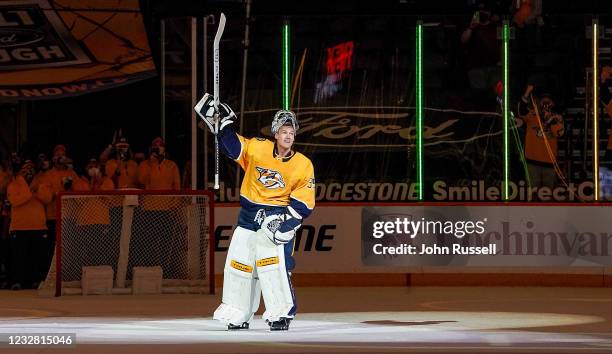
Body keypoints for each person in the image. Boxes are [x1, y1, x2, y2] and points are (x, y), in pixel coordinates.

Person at [195, 94, 315, 331]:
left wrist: (289, 223)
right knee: (239, 265)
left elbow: (305, 199)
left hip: (276, 217)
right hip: (248, 216)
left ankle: (281, 313)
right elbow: (234, 148)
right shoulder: (258, 148)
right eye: (283, 131)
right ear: (275, 133)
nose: (288, 135)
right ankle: (238, 312)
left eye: (291, 132)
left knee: (274, 267)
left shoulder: (303, 163)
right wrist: (223, 125)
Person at [6, 160, 52, 289]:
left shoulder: (41, 183)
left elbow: (47, 199)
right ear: (20, 171)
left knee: (38, 257)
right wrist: (28, 187)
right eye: (25, 169)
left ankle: (37, 281)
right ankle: (17, 282)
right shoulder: (14, 184)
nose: (28, 171)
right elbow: (16, 201)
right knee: (18, 258)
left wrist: (36, 190)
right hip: (19, 227)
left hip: (38, 226)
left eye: (31, 168)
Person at [517, 84, 564, 190]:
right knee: (533, 195)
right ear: (539, 103)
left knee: (549, 196)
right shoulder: (532, 115)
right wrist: (527, 93)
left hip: (550, 164)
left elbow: (559, 133)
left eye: (548, 102)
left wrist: (550, 119)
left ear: (553, 103)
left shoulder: (557, 117)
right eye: (544, 102)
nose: (546, 105)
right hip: (532, 163)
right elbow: (521, 111)